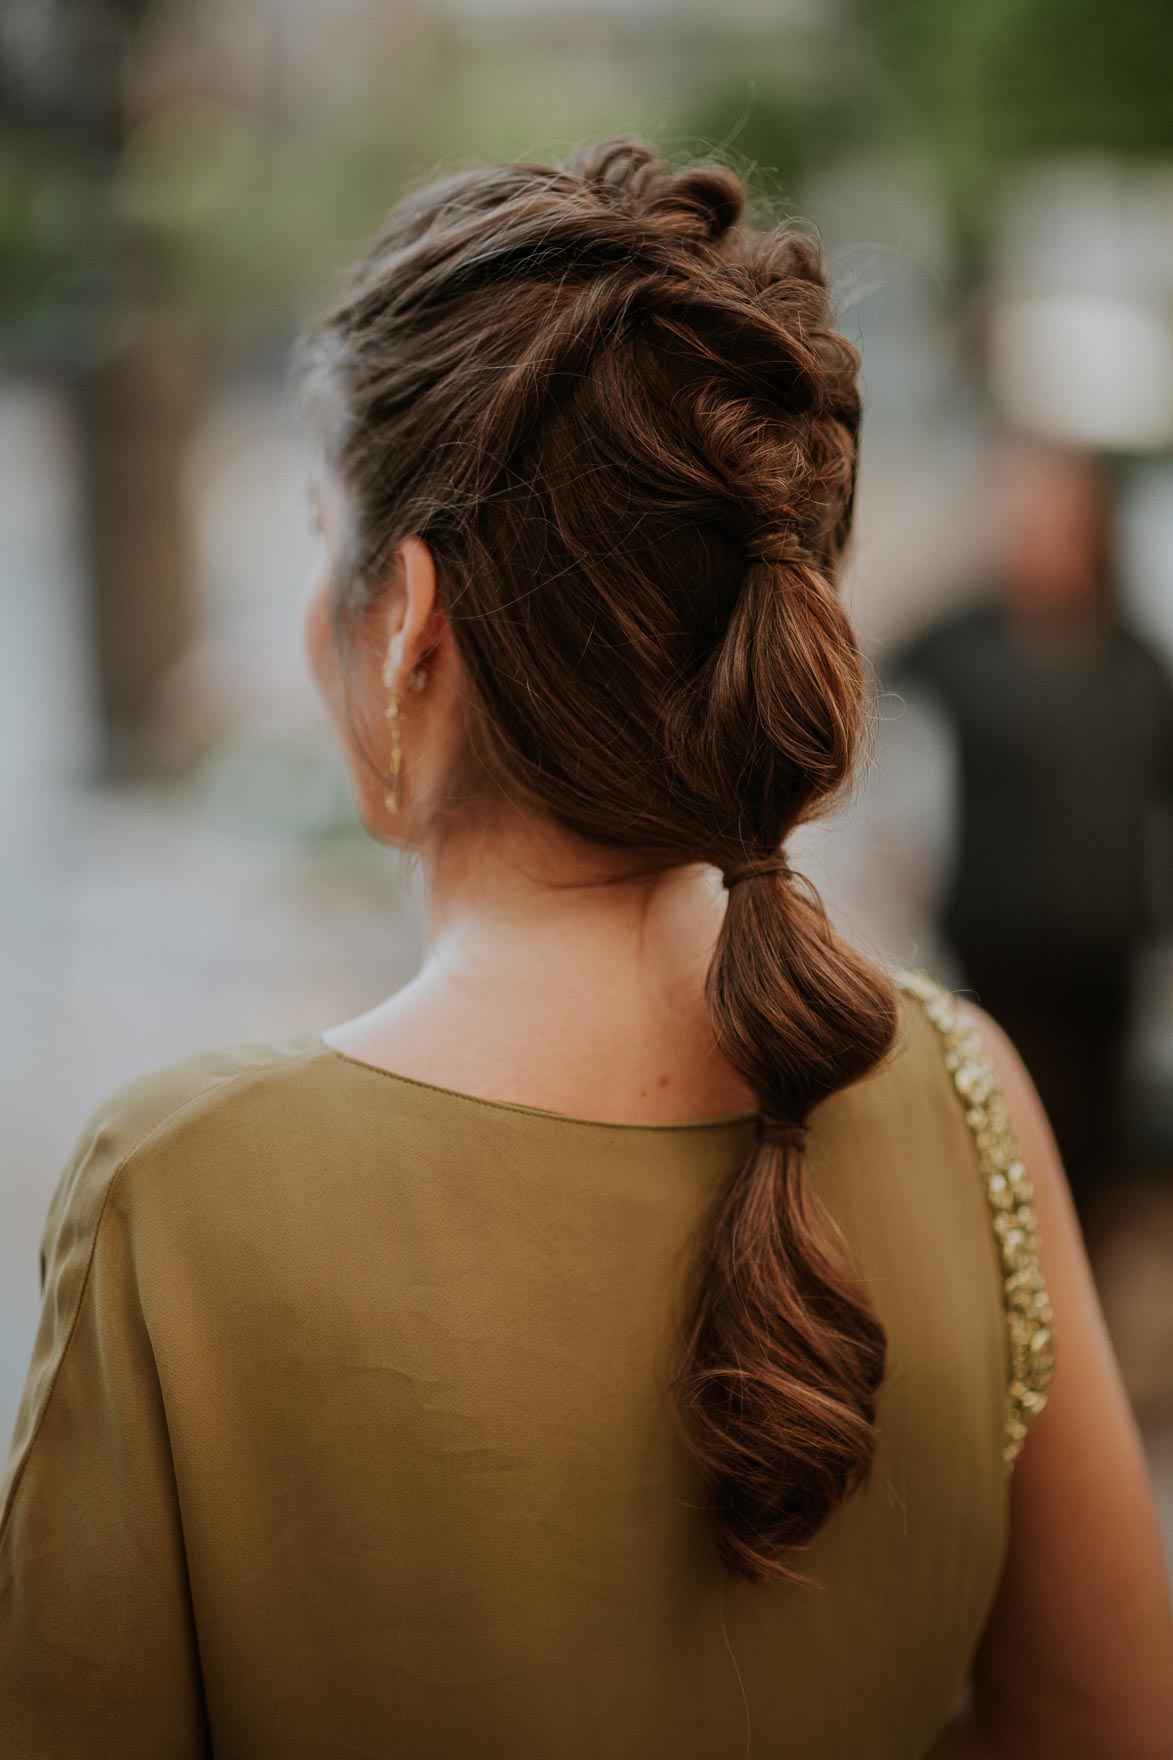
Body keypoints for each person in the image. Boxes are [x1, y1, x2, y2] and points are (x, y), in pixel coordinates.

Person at [1, 140, 1170, 1759]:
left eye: (318, 537)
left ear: (408, 622)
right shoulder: (971, 1106)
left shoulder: (179, 1192)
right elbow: (1101, 1721)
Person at [889, 440, 1173, 1230]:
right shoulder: (956, 645)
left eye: (1052, 515)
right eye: (1018, 514)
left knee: (1089, 1160)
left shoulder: (1133, 661)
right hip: (990, 954)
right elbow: (869, 739)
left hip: (1101, 960)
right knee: (990, 1144)